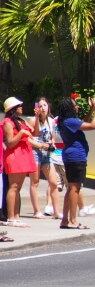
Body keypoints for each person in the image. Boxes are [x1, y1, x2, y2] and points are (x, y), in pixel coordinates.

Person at [57, 95, 95, 230]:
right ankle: (73, 220)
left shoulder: (66, 121)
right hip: (76, 158)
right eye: (74, 105)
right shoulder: (70, 121)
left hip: (70, 157)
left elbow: (82, 123)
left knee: (71, 189)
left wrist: (91, 110)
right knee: (75, 189)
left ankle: (65, 220)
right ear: (69, 108)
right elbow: (92, 125)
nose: (77, 107)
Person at [3, 97, 38, 227]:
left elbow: (34, 133)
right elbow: (11, 143)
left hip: (24, 155)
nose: (21, 107)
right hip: (14, 155)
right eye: (19, 105)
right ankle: (11, 217)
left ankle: (16, 216)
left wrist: (37, 118)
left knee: (18, 188)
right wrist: (22, 133)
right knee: (14, 186)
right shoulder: (8, 122)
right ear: (13, 108)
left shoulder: (20, 121)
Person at [28, 97, 62, 219]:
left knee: (53, 183)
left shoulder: (51, 121)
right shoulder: (32, 120)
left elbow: (52, 137)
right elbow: (29, 138)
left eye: (45, 105)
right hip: (36, 152)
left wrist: (51, 145)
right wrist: (40, 145)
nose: (43, 108)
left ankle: (56, 212)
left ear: (48, 106)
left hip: (47, 154)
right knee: (35, 182)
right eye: (40, 106)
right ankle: (36, 211)